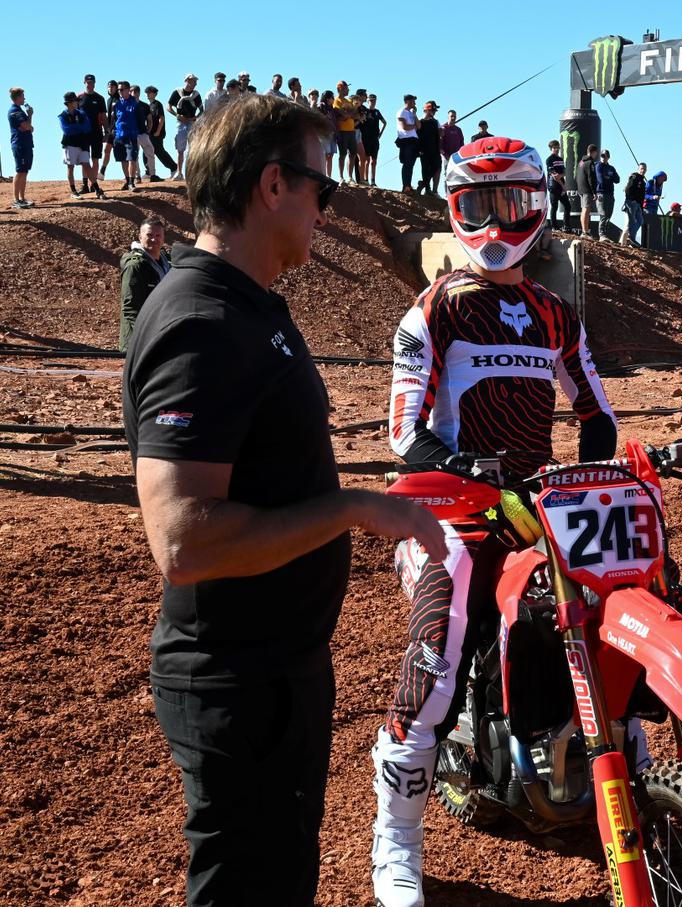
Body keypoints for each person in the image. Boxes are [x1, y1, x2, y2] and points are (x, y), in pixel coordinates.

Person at [122, 93, 445, 907]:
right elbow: (183, 542)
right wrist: (357, 507)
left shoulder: (249, 305)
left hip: (279, 670)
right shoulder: (199, 319)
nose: (326, 212)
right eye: (321, 189)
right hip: (235, 681)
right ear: (272, 185)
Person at [373, 135, 616, 907]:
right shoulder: (433, 308)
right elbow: (403, 428)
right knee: (438, 658)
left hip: (536, 504)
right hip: (452, 509)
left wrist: (592, 469)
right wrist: (467, 463)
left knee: (610, 602)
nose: (497, 221)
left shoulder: (554, 312)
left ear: (537, 208)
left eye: (511, 204)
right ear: (456, 210)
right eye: (480, 206)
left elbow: (598, 414)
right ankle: (397, 841)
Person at [118, 216, 172, 351]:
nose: (154, 239)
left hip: (162, 333)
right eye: (149, 235)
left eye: (158, 235)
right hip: (139, 342)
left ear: (163, 238)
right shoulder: (135, 266)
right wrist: (145, 336)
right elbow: (130, 307)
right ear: (140, 237)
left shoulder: (168, 262)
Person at [58, 92, 106, 200]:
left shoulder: (81, 114)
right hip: (70, 144)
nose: (77, 103)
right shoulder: (63, 115)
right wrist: (79, 127)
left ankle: (97, 189)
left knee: (86, 165)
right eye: (75, 101)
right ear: (69, 103)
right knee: (70, 167)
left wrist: (75, 127)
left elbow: (87, 127)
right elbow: (66, 130)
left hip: (82, 144)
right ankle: (73, 191)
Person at [168, 75, 203, 181]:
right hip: (181, 123)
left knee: (193, 148)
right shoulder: (177, 92)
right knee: (180, 149)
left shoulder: (196, 95)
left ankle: (192, 173)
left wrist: (196, 117)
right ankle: (179, 173)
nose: (195, 83)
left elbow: (202, 109)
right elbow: (168, 106)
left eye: (195, 81)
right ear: (187, 81)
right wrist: (178, 116)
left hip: (192, 123)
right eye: (193, 81)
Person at [76, 75, 106, 195]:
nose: (90, 84)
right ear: (84, 82)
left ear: (95, 83)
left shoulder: (99, 98)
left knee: (96, 158)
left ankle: (93, 185)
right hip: (83, 133)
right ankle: (84, 185)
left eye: (92, 82)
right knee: (84, 159)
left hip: (97, 132)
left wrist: (106, 131)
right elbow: (74, 114)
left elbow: (104, 116)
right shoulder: (79, 97)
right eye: (88, 82)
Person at [111, 81, 141, 192]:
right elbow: (114, 119)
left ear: (128, 90)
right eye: (118, 90)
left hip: (131, 135)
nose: (120, 91)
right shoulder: (117, 104)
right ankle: (127, 180)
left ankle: (132, 183)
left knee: (131, 159)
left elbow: (140, 119)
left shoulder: (135, 103)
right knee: (123, 159)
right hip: (119, 136)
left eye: (122, 89)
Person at [6, 87, 34, 209]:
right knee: (20, 170)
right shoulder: (14, 111)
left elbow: (28, 126)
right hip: (19, 144)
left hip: (26, 143)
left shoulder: (20, 110)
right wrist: (30, 118)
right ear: (17, 97)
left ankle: (22, 198)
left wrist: (29, 120)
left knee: (25, 171)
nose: (24, 98)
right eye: (23, 96)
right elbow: (27, 126)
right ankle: (16, 199)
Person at [144, 86, 180, 178]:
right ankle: (148, 172)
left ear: (155, 94)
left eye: (150, 92)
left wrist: (158, 131)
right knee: (146, 151)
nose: (148, 94)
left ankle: (174, 168)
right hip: (149, 133)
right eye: (147, 92)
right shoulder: (148, 106)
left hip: (157, 133)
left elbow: (161, 118)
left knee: (159, 151)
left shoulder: (157, 104)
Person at [130, 86, 160, 182]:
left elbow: (149, 119)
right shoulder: (127, 105)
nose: (134, 93)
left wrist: (148, 131)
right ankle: (137, 176)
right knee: (135, 156)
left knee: (150, 153)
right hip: (132, 134)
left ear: (139, 93)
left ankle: (153, 175)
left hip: (143, 133)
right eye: (132, 91)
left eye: (136, 91)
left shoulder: (144, 106)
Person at [331, 82, 359, 182]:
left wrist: (348, 114)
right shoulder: (336, 101)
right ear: (340, 89)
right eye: (346, 88)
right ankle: (341, 177)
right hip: (342, 131)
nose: (348, 90)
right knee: (342, 154)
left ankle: (350, 177)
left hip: (351, 131)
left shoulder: (348, 100)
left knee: (353, 153)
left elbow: (356, 116)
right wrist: (350, 113)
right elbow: (342, 115)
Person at [415, 100, 442, 197]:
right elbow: (417, 137)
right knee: (425, 169)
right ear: (427, 111)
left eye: (434, 111)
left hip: (435, 150)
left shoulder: (435, 122)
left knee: (437, 166)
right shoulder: (420, 122)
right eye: (433, 110)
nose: (434, 113)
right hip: (424, 150)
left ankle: (423, 183)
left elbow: (440, 135)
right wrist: (419, 150)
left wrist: (441, 131)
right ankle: (427, 189)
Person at [395, 94, 419, 193]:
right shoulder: (401, 112)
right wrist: (414, 126)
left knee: (411, 164)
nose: (415, 102)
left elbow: (419, 126)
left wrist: (415, 115)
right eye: (413, 100)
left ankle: (408, 185)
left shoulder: (411, 113)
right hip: (406, 140)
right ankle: (405, 186)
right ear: (407, 101)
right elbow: (405, 127)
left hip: (414, 140)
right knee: (407, 163)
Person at [362, 94, 386, 185]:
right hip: (366, 138)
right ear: (368, 101)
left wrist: (380, 134)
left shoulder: (377, 112)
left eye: (374, 100)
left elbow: (384, 122)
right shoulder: (365, 111)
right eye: (371, 100)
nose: (373, 102)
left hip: (375, 139)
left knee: (374, 161)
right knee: (366, 160)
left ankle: (373, 180)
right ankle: (365, 179)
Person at [576, 144, 599, 237]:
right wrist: (594, 192)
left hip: (581, 189)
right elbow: (591, 178)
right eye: (596, 153)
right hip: (587, 190)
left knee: (584, 210)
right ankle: (585, 232)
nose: (596, 155)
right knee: (586, 210)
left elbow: (577, 175)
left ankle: (584, 230)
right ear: (593, 152)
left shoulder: (581, 162)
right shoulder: (590, 162)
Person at [594, 149, 619, 234]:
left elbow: (617, 180)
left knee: (609, 215)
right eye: (602, 156)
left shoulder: (611, 168)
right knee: (603, 214)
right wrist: (610, 176)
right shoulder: (598, 166)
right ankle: (601, 233)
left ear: (609, 157)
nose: (604, 158)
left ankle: (604, 232)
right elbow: (601, 180)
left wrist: (608, 176)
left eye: (606, 156)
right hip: (601, 193)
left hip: (610, 194)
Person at [99, 79, 120, 179]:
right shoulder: (108, 100)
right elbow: (107, 116)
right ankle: (102, 171)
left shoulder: (120, 99)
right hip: (110, 130)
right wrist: (106, 129)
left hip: (119, 130)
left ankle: (133, 177)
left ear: (116, 88)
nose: (110, 88)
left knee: (123, 154)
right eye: (108, 86)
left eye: (112, 86)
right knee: (106, 149)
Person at [622, 161, 646, 245]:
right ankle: (630, 239)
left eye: (644, 169)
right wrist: (631, 199)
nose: (643, 170)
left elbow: (642, 196)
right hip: (632, 202)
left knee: (640, 220)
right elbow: (628, 189)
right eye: (642, 169)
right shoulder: (634, 177)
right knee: (630, 222)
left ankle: (631, 238)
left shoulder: (643, 182)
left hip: (638, 205)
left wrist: (641, 207)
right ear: (638, 169)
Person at [317, 91, 338, 178]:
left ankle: (329, 176)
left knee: (330, 155)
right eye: (332, 97)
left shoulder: (331, 108)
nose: (333, 99)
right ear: (328, 98)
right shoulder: (321, 106)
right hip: (324, 133)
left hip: (332, 133)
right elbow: (319, 117)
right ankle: (323, 175)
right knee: (325, 154)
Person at [438, 109, 464, 178]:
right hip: (446, 156)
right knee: (448, 175)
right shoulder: (443, 128)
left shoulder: (458, 130)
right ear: (448, 117)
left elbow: (462, 143)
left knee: (458, 175)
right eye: (451, 116)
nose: (453, 118)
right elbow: (439, 143)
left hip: (457, 157)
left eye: (454, 116)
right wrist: (443, 153)